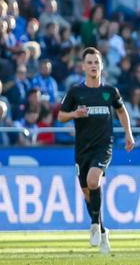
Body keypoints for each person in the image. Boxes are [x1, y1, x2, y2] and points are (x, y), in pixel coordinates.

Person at [57, 47, 135, 254]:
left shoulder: (109, 91)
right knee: (87, 192)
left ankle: (93, 225)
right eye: (89, 62)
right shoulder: (75, 92)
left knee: (93, 181)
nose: (93, 66)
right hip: (82, 149)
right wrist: (75, 113)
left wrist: (128, 133)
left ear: (101, 66)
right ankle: (102, 230)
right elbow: (61, 116)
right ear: (83, 66)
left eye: (96, 62)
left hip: (103, 146)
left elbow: (121, 110)